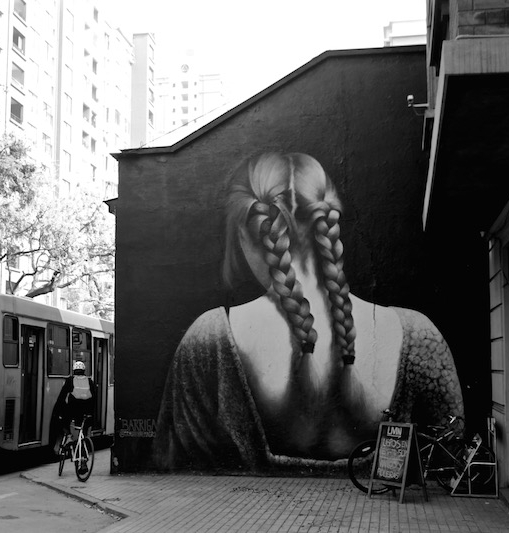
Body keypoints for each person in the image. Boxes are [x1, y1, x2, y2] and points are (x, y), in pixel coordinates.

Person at [153, 152, 464, 472]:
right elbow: (451, 455)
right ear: (329, 224)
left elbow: (177, 465)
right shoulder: (418, 334)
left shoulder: (209, 338)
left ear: (248, 234)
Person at [54, 361, 97, 452]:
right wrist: (91, 412)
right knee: (83, 425)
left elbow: (62, 397)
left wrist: (58, 410)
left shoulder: (70, 380)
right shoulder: (89, 381)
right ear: (84, 371)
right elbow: (94, 398)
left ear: (74, 370)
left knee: (63, 419)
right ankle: (85, 441)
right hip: (86, 411)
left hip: (73, 410)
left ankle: (69, 436)